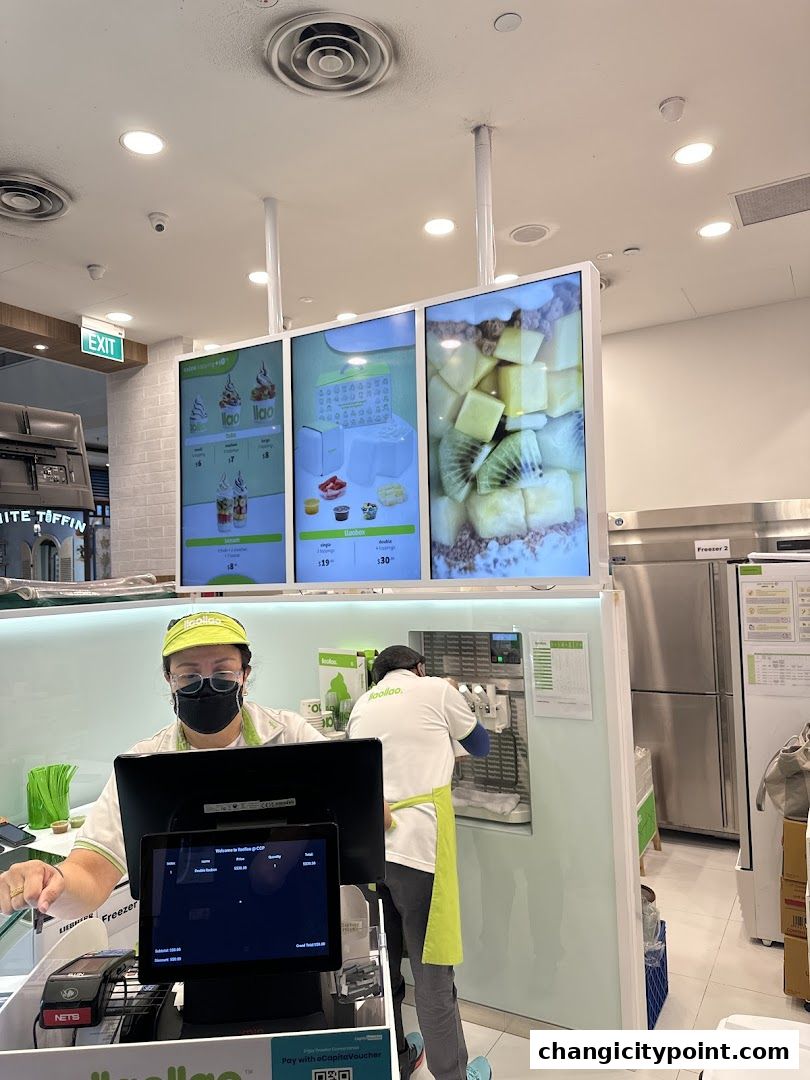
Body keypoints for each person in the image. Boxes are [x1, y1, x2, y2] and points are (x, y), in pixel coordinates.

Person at [0, 611, 328, 920]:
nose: (206, 684)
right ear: (169, 679)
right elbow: (90, 871)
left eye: (223, 672)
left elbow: (356, 813)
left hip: (296, 917)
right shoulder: (145, 766)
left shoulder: (290, 735)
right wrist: (53, 881)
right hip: (191, 929)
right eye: (189, 675)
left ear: (245, 674)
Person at [347, 645, 492, 1080]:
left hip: (370, 851)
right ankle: (452, 1075)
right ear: (419, 668)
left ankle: (397, 1060)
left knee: (383, 967)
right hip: (418, 849)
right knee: (432, 974)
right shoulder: (435, 688)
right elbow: (481, 744)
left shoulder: (362, 704)